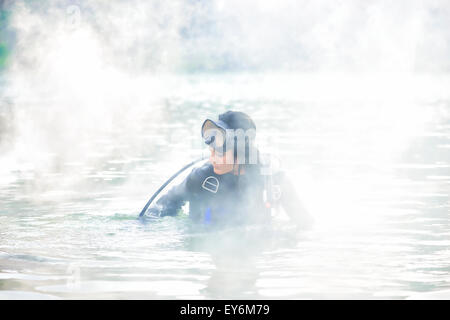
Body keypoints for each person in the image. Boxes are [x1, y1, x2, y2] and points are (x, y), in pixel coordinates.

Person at [143, 110, 313, 229]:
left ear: (242, 150)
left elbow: (305, 224)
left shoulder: (274, 180)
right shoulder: (202, 179)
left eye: (219, 152)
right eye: (211, 152)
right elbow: (161, 207)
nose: (212, 158)